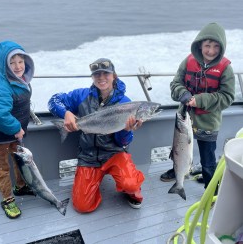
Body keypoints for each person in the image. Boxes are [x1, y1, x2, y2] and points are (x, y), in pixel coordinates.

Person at [48, 58, 145, 213]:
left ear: (114, 75)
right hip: (89, 155)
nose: (101, 78)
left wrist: (127, 130)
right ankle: (92, 184)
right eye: (97, 74)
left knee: (131, 184)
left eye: (105, 74)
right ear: (92, 77)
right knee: (82, 206)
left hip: (114, 154)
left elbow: (123, 143)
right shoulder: (81, 95)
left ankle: (132, 191)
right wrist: (66, 113)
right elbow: (53, 101)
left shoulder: (125, 104)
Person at [160, 22, 235, 190]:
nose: (211, 50)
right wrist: (183, 94)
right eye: (207, 45)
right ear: (200, 45)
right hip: (184, 118)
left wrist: (199, 100)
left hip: (208, 122)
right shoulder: (188, 61)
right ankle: (178, 170)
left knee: (208, 160)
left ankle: (211, 188)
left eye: (216, 46)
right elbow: (175, 84)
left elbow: (227, 97)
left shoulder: (226, 70)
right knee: (179, 150)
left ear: (222, 47)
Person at [0, 40, 35, 219]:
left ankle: (20, 187)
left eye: (20, 61)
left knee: (18, 160)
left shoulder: (16, 78)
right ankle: (7, 199)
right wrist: (16, 128)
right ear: (4, 64)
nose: (18, 66)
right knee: (3, 168)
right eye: (12, 63)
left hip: (14, 131)